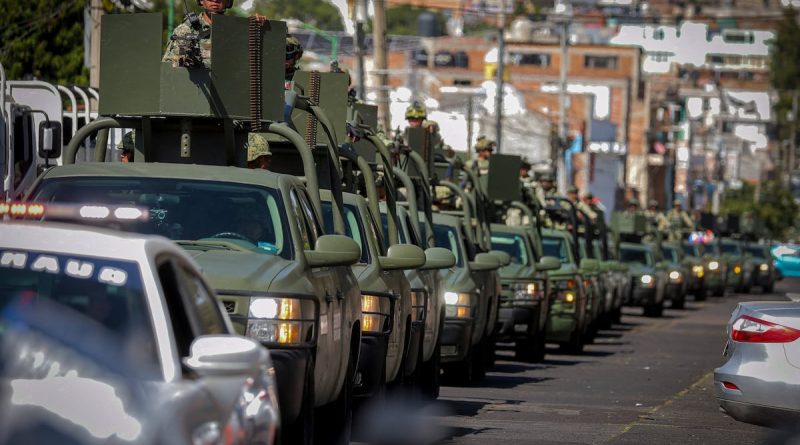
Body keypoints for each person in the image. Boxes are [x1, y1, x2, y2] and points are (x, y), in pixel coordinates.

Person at [163, 0, 232, 68]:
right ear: (201, 1)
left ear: (228, 1)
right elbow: (168, 68)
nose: (215, 0)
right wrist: (181, 61)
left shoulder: (234, 29)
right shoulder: (185, 30)